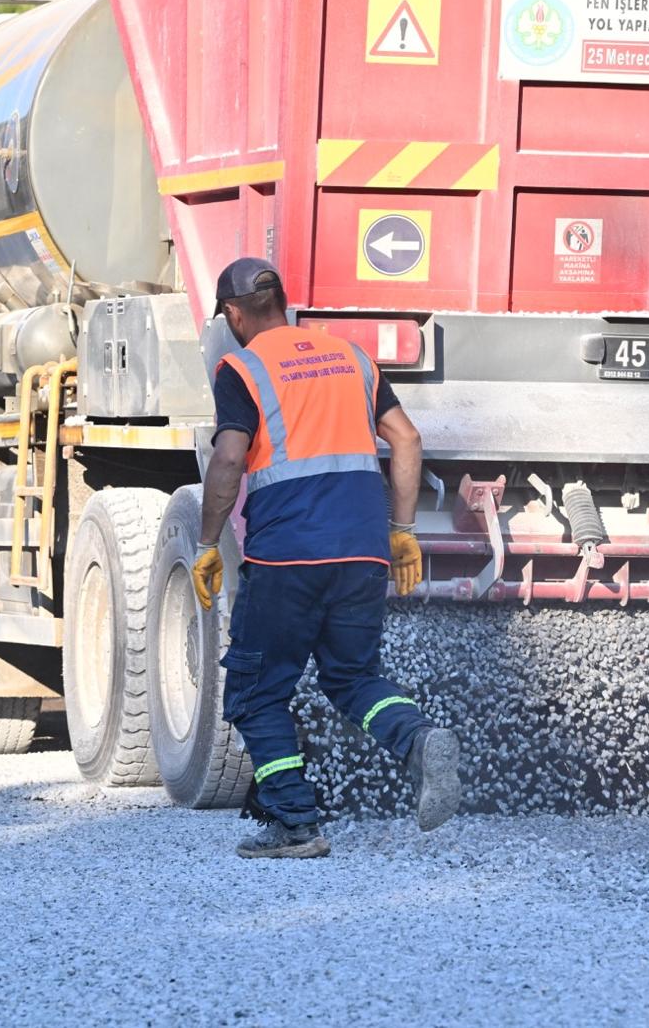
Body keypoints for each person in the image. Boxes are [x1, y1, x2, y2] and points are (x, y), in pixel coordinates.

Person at [191, 257, 460, 859]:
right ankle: (418, 740)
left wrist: (208, 543)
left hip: (287, 557)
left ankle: (295, 823)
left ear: (233, 314)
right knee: (353, 677)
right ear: (282, 302)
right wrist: (403, 531)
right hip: (363, 551)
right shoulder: (352, 358)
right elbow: (407, 439)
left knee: (257, 693)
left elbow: (229, 459)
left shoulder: (242, 368)